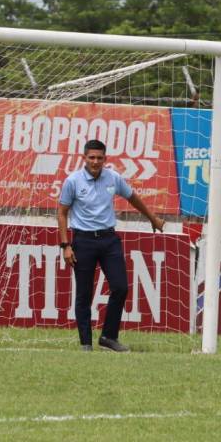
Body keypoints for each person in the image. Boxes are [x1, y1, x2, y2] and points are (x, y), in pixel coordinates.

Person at [57, 139, 165, 352]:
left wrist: (152, 218)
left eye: (99, 158)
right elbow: (61, 213)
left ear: (105, 159)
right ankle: (86, 343)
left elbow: (133, 197)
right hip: (83, 241)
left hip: (109, 240)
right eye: (91, 157)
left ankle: (108, 337)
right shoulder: (73, 181)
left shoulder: (113, 178)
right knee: (84, 294)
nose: (95, 162)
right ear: (84, 158)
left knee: (120, 287)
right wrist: (65, 245)